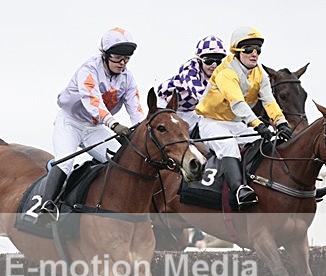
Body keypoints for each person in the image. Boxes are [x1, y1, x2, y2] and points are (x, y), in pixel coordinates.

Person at [38, 27, 145, 218]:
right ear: (104, 55)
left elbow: (135, 108)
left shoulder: (128, 78)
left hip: (95, 128)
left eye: (127, 59)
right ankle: (47, 207)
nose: (122, 63)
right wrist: (114, 124)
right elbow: (93, 101)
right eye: (118, 58)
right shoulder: (88, 70)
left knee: (120, 162)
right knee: (66, 162)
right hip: (71, 122)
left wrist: (141, 130)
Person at [196, 26, 293, 207]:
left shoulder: (260, 73)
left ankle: (286, 184)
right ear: (238, 52)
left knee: (269, 141)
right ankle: (239, 189)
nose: (254, 54)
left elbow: (269, 101)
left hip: (235, 123)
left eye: (258, 50)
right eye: (249, 50)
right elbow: (238, 103)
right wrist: (258, 125)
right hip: (212, 123)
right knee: (228, 145)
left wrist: (281, 122)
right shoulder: (226, 72)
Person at [156, 35, 227, 131]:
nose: (214, 65)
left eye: (218, 61)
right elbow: (200, 94)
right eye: (209, 61)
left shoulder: (219, 74)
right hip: (166, 105)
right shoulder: (189, 70)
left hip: (190, 112)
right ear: (199, 59)